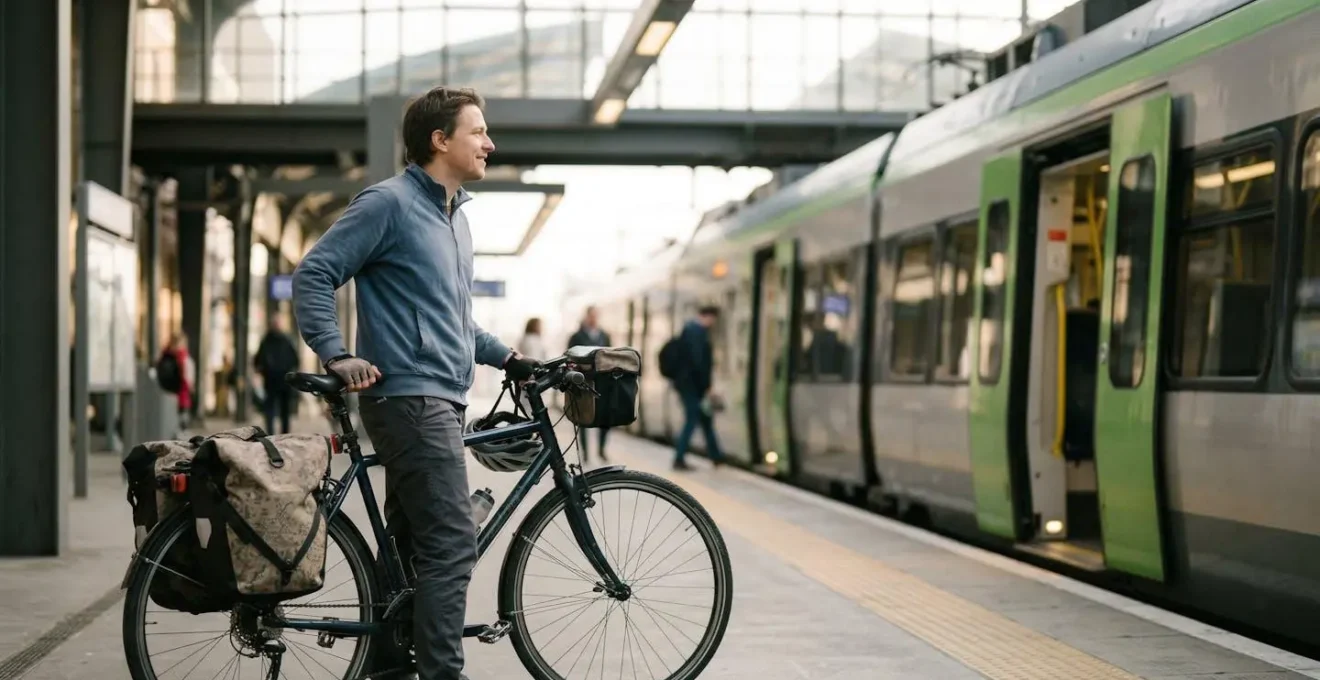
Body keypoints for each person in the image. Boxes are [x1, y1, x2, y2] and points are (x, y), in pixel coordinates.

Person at [292, 86, 538, 680]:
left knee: (407, 548)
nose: (489, 142)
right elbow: (315, 274)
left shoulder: (455, 220)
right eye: (478, 131)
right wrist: (336, 353)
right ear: (440, 140)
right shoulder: (390, 204)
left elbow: (453, 322)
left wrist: (510, 359)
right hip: (409, 396)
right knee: (454, 544)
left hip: (441, 398)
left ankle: (386, 666)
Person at [671, 306, 723, 471]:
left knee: (705, 419)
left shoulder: (689, 330)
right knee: (692, 420)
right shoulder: (697, 332)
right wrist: (707, 386)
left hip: (689, 385)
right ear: (709, 317)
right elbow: (698, 362)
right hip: (692, 387)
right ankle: (679, 458)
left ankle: (717, 457)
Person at [566, 306, 611, 462]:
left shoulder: (605, 336)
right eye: (591, 316)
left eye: (595, 316)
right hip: (583, 381)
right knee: (584, 418)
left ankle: (601, 449)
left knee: (606, 418)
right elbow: (569, 357)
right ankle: (585, 453)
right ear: (586, 317)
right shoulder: (576, 337)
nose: (593, 319)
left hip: (602, 382)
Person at [253, 317, 300, 434]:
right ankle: (272, 433)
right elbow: (258, 360)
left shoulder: (285, 340)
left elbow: (295, 360)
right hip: (272, 381)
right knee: (271, 410)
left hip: (283, 381)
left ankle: (283, 433)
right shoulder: (267, 341)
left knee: (283, 411)